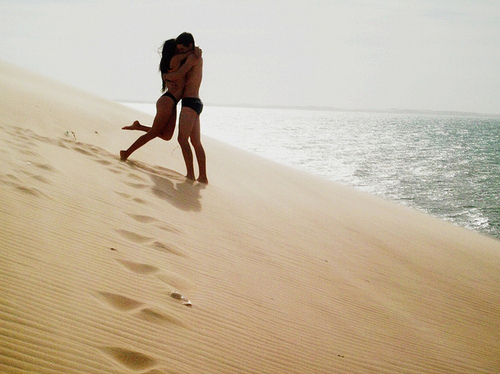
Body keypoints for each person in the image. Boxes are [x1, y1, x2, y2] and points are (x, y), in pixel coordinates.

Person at [120, 39, 196, 161]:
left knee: (166, 136)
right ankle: (126, 152)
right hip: (167, 101)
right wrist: (194, 50)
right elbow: (189, 56)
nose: (180, 50)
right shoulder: (175, 60)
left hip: (172, 103)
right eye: (178, 48)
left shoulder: (174, 61)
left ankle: (138, 126)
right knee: (153, 133)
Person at [163, 32, 208, 184]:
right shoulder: (195, 54)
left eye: (183, 49)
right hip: (195, 102)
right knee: (195, 142)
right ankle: (202, 177)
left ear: (189, 45)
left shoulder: (193, 57)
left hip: (190, 102)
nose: (180, 52)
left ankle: (190, 174)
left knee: (182, 139)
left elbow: (180, 73)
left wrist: (166, 77)